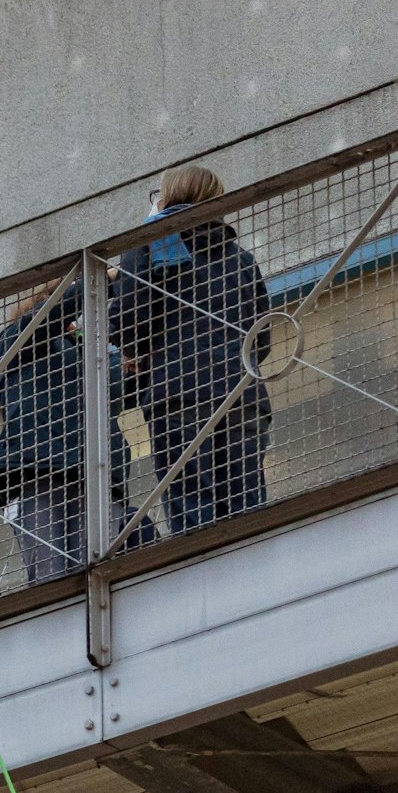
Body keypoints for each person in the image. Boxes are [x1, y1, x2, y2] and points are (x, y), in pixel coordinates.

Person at [109, 166, 272, 534]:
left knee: (194, 516)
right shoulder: (241, 259)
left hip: (177, 397)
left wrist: (142, 351)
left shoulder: (148, 246)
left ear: (166, 198)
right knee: (249, 512)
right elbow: (261, 338)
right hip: (242, 396)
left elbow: (129, 327)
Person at [0, 278, 156, 582]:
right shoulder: (20, 337)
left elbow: (125, 389)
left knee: (98, 572)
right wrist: (96, 281)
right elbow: (49, 319)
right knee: (50, 575)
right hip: (38, 470)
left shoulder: (95, 353)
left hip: (97, 471)